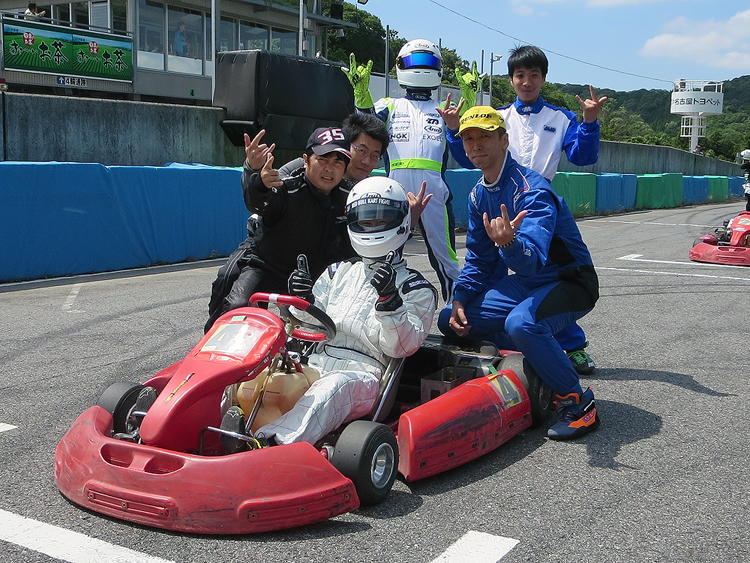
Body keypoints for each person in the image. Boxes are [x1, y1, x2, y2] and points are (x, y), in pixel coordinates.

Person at [223, 176, 438, 446]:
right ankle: (215, 425)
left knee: (332, 388)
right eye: (365, 221)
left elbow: (400, 348)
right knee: (253, 371)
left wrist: (389, 301)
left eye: (380, 221)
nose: (371, 227)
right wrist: (302, 298)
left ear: (401, 221)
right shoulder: (339, 271)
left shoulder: (415, 288)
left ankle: (271, 444)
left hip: (366, 375)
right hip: (317, 361)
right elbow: (308, 327)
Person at [442, 45, 607, 376]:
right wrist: (452, 129)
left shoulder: (560, 118)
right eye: (520, 75)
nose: (527, 82)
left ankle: (570, 347)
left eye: (534, 75)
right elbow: (470, 156)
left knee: (542, 278)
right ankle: (515, 346)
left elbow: (583, 156)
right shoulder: (498, 117)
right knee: (476, 298)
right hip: (495, 198)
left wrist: (588, 123)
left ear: (543, 79)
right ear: (511, 79)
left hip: (537, 205)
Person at [438, 106, 600, 440]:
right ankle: (524, 367)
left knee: (522, 323)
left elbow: (532, 259)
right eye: (469, 138)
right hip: (529, 283)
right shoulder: (478, 194)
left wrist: (510, 243)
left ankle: (578, 402)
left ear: (504, 140)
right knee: (451, 319)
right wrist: (460, 298)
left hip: (570, 280)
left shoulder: (532, 189)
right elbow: (480, 260)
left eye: (485, 136)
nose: (476, 145)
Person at [204, 114, 393, 333]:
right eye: (361, 151)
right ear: (306, 160)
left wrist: (408, 219)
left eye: (374, 155)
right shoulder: (291, 181)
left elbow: (378, 234)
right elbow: (262, 200)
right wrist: (255, 174)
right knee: (232, 291)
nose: (366, 161)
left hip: (317, 273)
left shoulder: (360, 194)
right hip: (269, 260)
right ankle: (210, 347)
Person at [343, 39, 461, 303]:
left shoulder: (445, 110)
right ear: (400, 67)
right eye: (413, 63)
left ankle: (457, 308)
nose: (420, 69)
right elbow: (366, 128)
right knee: (384, 249)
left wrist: (460, 117)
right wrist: (362, 96)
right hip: (393, 188)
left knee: (445, 255)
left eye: (428, 63)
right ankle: (378, 304)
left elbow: (463, 148)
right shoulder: (389, 105)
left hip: (433, 191)